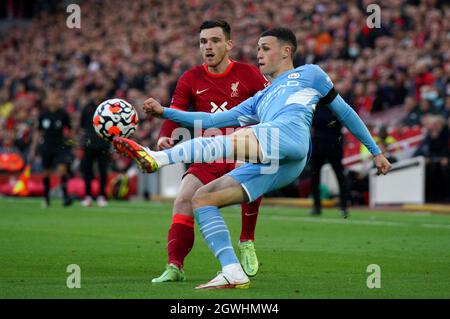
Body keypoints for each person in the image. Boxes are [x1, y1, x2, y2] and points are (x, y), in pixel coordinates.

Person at [113, 28, 392, 289]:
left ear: (286, 51)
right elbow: (210, 119)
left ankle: (158, 159)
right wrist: (165, 112)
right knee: (203, 198)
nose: (259, 53)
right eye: (258, 48)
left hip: (289, 137)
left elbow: (345, 113)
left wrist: (376, 151)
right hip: (284, 164)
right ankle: (231, 270)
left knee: (228, 140)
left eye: (265, 48)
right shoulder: (261, 97)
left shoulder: (311, 74)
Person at [153, 20, 269, 282]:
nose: (208, 46)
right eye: (204, 41)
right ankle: (175, 266)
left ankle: (246, 240)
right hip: (208, 154)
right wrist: (164, 137)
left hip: (242, 149)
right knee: (183, 198)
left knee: (247, 173)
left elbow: (269, 106)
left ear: (229, 44)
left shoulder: (249, 74)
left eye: (215, 41)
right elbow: (177, 112)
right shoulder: (191, 77)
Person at [29, 90, 73, 207]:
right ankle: (46, 197)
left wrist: (71, 143)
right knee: (46, 173)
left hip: (60, 146)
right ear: (47, 101)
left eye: (55, 98)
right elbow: (37, 132)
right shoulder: (43, 115)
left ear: (58, 101)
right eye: (51, 98)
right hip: (47, 146)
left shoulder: (63, 114)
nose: (53, 101)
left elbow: (70, 131)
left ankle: (65, 196)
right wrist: (33, 149)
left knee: (62, 169)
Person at [310, 104, 349, 217]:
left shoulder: (333, 103)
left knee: (339, 175)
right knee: (315, 176)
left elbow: (336, 122)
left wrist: (324, 123)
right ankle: (317, 205)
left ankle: (344, 206)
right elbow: (335, 122)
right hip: (323, 144)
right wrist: (329, 123)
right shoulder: (319, 103)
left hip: (331, 144)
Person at [79, 89, 111, 207]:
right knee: (87, 170)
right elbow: (83, 126)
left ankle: (102, 195)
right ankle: (88, 196)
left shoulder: (108, 108)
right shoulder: (87, 108)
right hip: (89, 143)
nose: (96, 93)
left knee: (103, 171)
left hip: (103, 143)